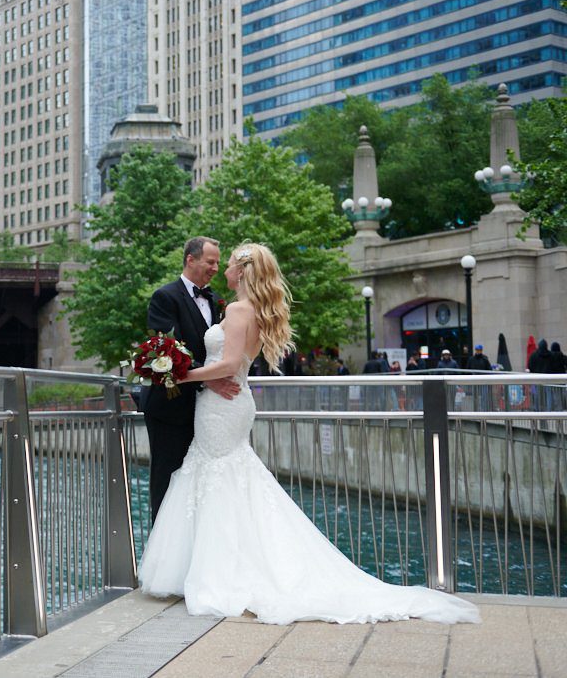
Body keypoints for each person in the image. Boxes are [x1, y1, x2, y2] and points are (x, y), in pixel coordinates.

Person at [139, 242, 479, 625]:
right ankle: (222, 565)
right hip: (228, 403)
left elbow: (230, 362)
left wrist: (185, 374)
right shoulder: (245, 308)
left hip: (223, 405)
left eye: (229, 264)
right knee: (228, 479)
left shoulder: (235, 308)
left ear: (244, 270)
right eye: (217, 263)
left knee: (220, 479)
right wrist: (202, 376)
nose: (223, 270)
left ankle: (221, 572)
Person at [142, 237, 240, 521]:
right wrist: (208, 380)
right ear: (190, 259)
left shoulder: (216, 299)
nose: (215, 268)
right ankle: (161, 558)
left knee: (199, 484)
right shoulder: (165, 296)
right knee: (167, 481)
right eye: (211, 262)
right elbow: (165, 352)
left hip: (207, 411)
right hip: (169, 409)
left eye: (219, 263)